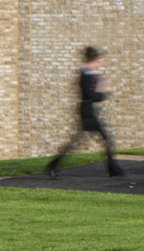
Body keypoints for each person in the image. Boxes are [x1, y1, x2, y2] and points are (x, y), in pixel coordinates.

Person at [46, 45, 121, 178]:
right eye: (99, 61)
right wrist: (103, 92)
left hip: (88, 111)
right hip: (87, 113)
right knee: (104, 138)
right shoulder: (86, 75)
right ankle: (113, 169)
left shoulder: (88, 74)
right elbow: (90, 95)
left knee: (80, 142)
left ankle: (53, 165)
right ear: (94, 60)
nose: (100, 64)